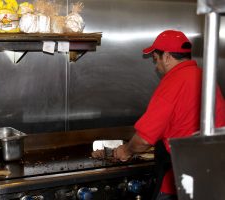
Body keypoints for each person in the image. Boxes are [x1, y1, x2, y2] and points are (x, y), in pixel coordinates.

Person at [92, 30, 225, 200]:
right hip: (211, 175)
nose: (156, 66)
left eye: (156, 59)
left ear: (167, 57)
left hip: (179, 180)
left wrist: (126, 150)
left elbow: (143, 140)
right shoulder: (205, 78)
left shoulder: (173, 83)